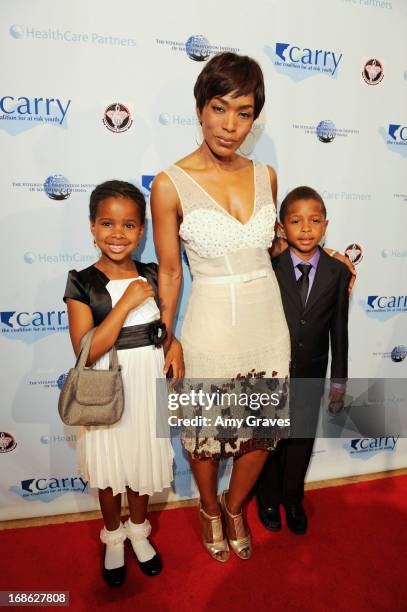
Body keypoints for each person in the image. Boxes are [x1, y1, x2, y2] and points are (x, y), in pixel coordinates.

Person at [151, 52, 291, 563]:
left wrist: (329, 258)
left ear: (255, 117)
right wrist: (169, 336)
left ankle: (236, 507)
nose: (230, 126)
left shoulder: (266, 176)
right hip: (210, 321)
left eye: (244, 112)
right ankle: (209, 507)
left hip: (266, 321)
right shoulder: (169, 184)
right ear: (200, 108)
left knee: (260, 431)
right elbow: (169, 271)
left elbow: (273, 247)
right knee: (207, 435)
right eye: (220, 108)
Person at [63, 180, 174, 587]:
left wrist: (173, 344)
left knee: (142, 460)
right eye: (107, 223)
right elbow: (86, 350)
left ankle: (138, 531)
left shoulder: (151, 272)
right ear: (92, 227)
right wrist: (125, 303)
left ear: (141, 230)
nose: (117, 234)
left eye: (128, 225)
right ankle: (113, 536)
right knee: (110, 466)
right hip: (105, 389)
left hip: (147, 382)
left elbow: (162, 327)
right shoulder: (81, 281)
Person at [256, 186, 351, 535]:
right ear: (282, 227)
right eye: (296, 221)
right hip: (271, 372)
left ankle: (292, 498)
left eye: (314, 221)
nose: (306, 229)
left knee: (301, 440)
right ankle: (266, 498)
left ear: (326, 225)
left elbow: (339, 330)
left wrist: (338, 381)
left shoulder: (337, 272)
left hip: (312, 374)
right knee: (269, 438)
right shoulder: (270, 267)